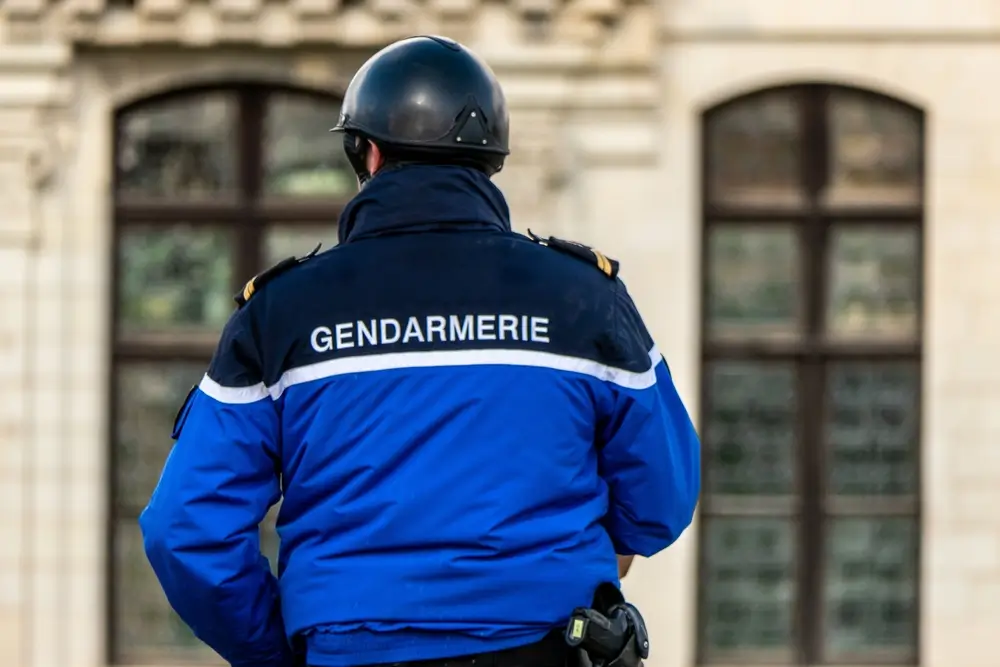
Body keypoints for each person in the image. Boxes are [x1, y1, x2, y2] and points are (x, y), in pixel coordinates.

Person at [139, 35, 700, 667]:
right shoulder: (585, 297)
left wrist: (277, 649)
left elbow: (185, 530)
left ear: (369, 154)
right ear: (492, 162)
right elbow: (663, 496)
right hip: (545, 645)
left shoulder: (281, 312)